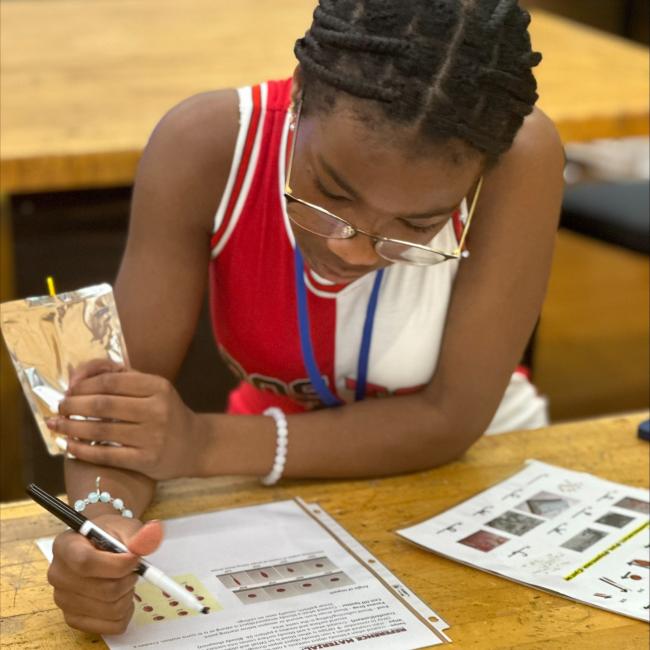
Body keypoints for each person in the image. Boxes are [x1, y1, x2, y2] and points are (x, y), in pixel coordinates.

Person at [44, 0, 564, 634]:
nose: (354, 247)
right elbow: (113, 410)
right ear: (298, 99)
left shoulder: (519, 157)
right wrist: (104, 522)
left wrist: (202, 444)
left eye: (419, 225)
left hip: (467, 476)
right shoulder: (204, 144)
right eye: (333, 192)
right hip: (261, 477)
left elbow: (449, 417)